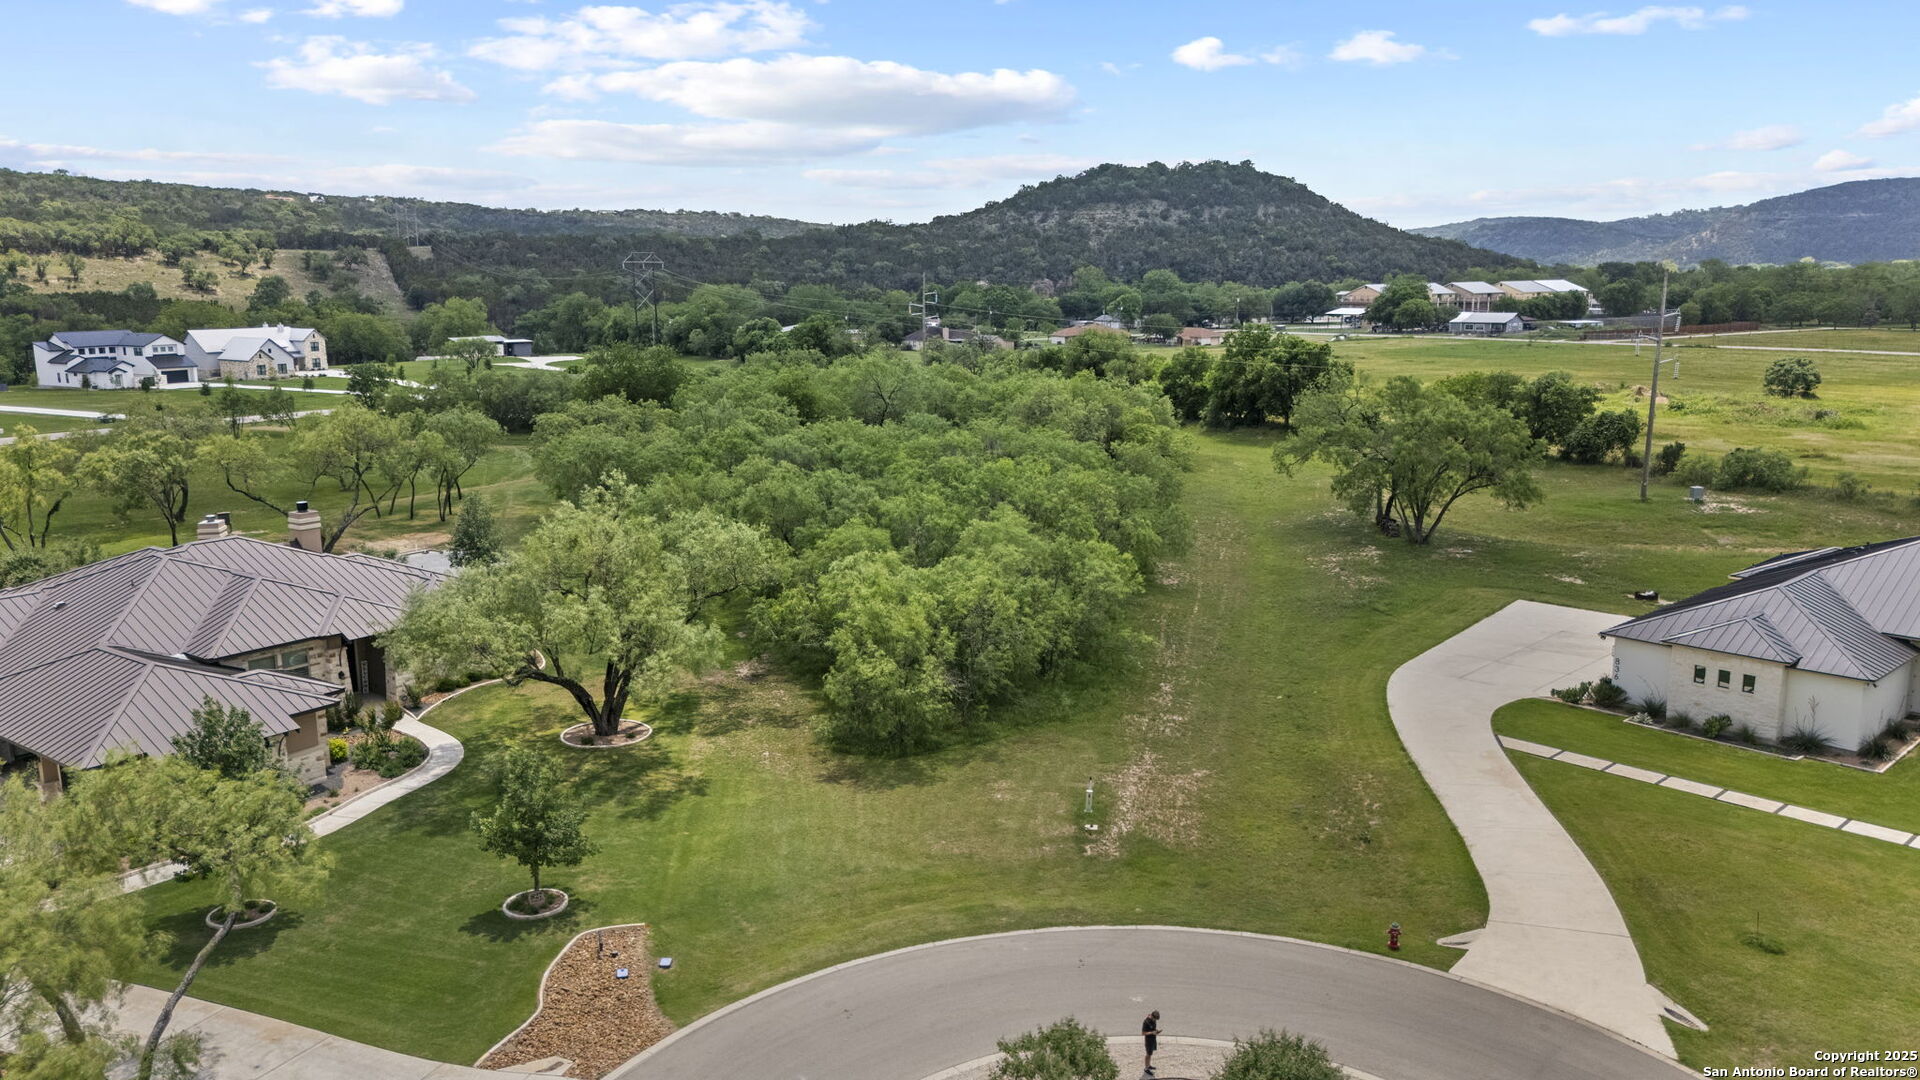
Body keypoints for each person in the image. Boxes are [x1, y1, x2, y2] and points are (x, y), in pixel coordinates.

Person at [1142, 1009, 1160, 1075]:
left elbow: (1153, 1029)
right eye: (1155, 1019)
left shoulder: (1153, 1020)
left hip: (1153, 1039)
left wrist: (1156, 1031)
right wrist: (1152, 1032)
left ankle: (1149, 1065)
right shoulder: (1146, 1022)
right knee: (1148, 1054)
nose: (1155, 1021)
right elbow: (1143, 1033)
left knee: (1150, 1054)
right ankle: (1146, 1068)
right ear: (1152, 1016)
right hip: (1148, 1041)